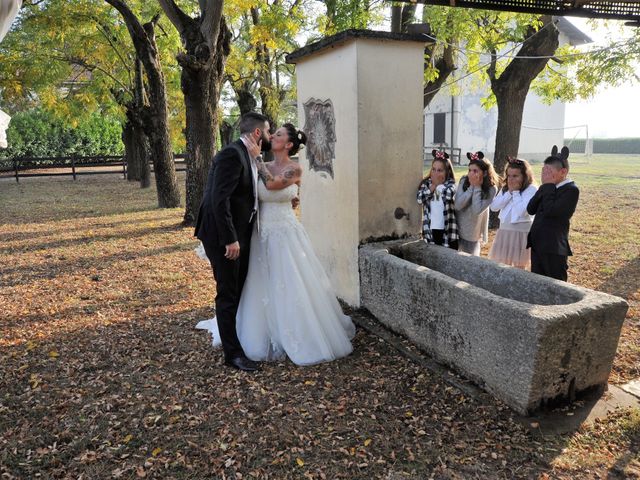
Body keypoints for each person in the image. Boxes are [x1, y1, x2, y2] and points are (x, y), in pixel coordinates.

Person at [197, 123, 355, 366]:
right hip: (260, 234)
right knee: (258, 283)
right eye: (273, 132)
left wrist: (257, 159)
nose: (273, 137)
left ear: (289, 144)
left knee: (290, 283)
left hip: (285, 234)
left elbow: (271, 185)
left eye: (278, 134)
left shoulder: (294, 169)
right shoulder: (261, 165)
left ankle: (296, 333)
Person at [194, 112, 271, 372]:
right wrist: (230, 239)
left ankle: (236, 339)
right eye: (268, 132)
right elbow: (219, 199)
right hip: (222, 236)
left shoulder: (246, 153)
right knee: (227, 292)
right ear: (258, 133)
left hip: (240, 232)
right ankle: (233, 355)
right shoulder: (232, 154)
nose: (270, 137)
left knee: (236, 289)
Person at [526, 146, 580, 281]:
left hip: (553, 247)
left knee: (555, 283)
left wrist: (548, 186)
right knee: (537, 282)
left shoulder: (571, 190)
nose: (545, 175)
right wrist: (544, 188)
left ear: (563, 172)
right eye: (544, 170)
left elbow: (552, 211)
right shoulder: (547, 187)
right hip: (537, 244)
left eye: (549, 171)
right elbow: (531, 209)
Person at [488, 157, 537, 268]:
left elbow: (522, 212)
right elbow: (494, 207)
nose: (511, 179)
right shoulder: (506, 189)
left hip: (521, 234)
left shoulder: (531, 190)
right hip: (504, 232)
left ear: (525, 176)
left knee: (519, 267)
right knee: (502, 265)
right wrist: (509, 193)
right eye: (509, 176)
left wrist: (515, 192)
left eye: (515, 176)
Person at [454, 151, 498, 256]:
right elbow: (457, 205)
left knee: (468, 262)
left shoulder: (491, 189)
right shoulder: (464, 180)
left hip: (472, 233)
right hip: (457, 229)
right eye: (469, 170)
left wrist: (477, 186)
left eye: (475, 171)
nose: (471, 174)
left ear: (485, 173)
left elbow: (476, 210)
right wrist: (470, 188)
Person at [417, 150, 458, 250]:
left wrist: (438, 185)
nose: (435, 173)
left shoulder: (450, 185)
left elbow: (448, 196)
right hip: (431, 229)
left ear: (447, 172)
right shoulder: (426, 184)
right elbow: (419, 199)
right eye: (433, 169)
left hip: (447, 230)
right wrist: (432, 187)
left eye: (440, 170)